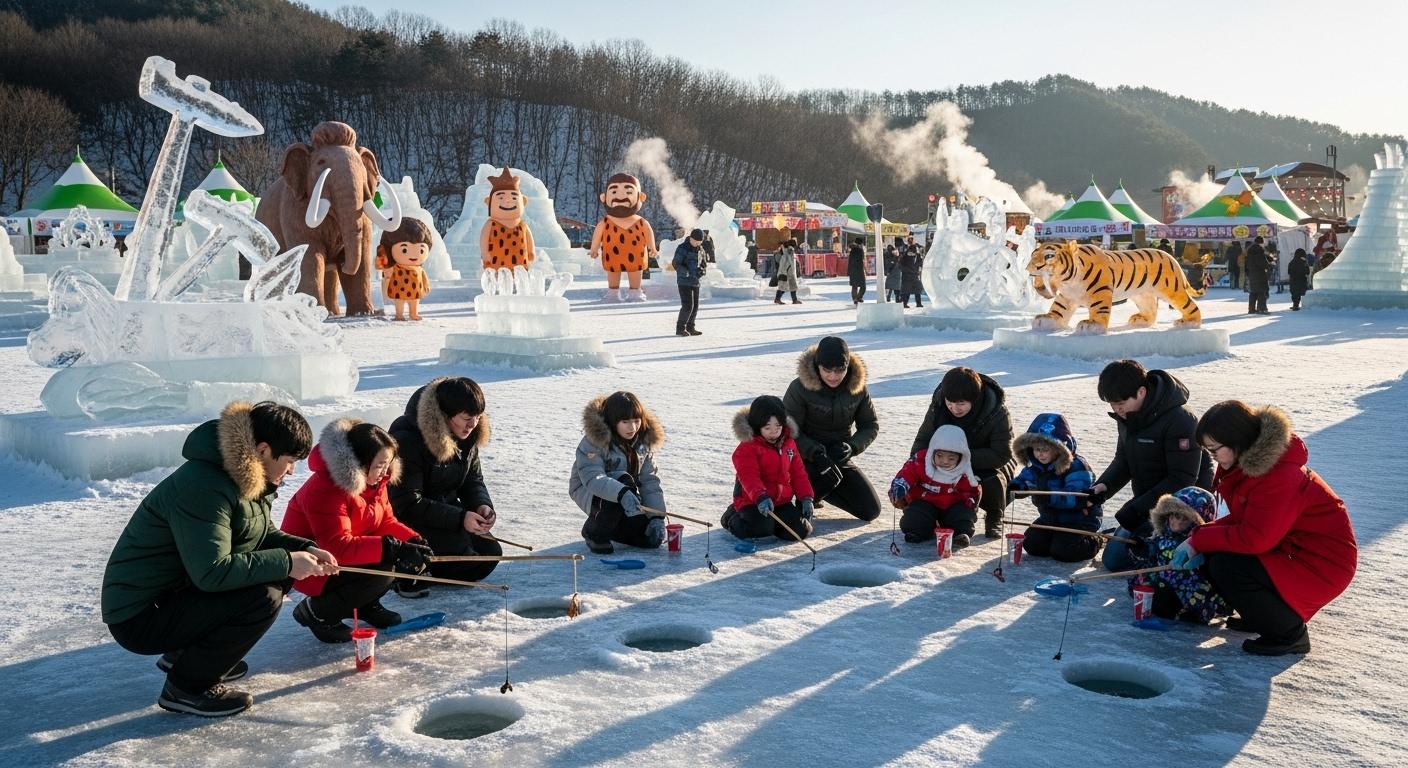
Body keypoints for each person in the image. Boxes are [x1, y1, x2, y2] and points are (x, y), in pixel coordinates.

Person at [101, 401, 337, 717]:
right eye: (291, 460)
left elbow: (262, 535)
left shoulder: (246, 477)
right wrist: (287, 561)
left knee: (280, 573)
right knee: (263, 596)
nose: (293, 470)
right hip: (140, 615)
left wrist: (305, 549)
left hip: (174, 595)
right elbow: (212, 572)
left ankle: (189, 654)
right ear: (264, 450)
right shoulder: (205, 486)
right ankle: (187, 686)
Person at [1176, 402, 1357, 655]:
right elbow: (1246, 519)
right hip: (1290, 549)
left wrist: (1201, 539)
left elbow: (1255, 538)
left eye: (1214, 449)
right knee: (1216, 556)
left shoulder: (1278, 476)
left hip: (1320, 562)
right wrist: (1197, 538)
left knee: (1226, 565)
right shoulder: (1248, 467)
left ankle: (1288, 634)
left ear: (1237, 442)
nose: (1212, 456)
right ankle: (1263, 615)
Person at [282, 419, 434, 642]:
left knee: (392, 559)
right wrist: (392, 549)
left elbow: (384, 522)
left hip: (343, 557)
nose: (385, 472)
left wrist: (412, 540)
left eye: (388, 464)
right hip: (312, 566)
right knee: (386, 564)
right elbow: (337, 546)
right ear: (361, 463)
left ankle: (364, 604)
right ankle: (318, 612)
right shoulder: (326, 488)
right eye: (380, 464)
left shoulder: (374, 483)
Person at [1088, 360, 1213, 571]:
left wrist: (1136, 509)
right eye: (1111, 404)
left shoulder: (1181, 420)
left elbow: (1181, 479)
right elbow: (1123, 459)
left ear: (1141, 392)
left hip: (1183, 510)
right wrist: (1104, 486)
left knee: (1154, 560)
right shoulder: (1128, 416)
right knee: (1114, 560)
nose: (1116, 409)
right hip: (1148, 502)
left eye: (1120, 402)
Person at [388, 376, 502, 597]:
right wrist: (460, 519)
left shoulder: (467, 435)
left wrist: (481, 505)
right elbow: (407, 503)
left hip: (446, 511)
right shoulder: (409, 439)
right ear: (446, 415)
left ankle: (434, 562)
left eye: (478, 417)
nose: (473, 424)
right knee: (466, 559)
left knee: (491, 554)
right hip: (411, 519)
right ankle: (404, 566)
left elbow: (472, 480)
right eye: (467, 418)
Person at [910, 366, 1017, 538]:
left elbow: (1002, 453)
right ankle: (937, 513)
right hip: (945, 460)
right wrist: (922, 462)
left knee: (992, 480)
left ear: (974, 399)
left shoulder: (996, 411)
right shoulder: (938, 407)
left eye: (961, 403)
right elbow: (922, 441)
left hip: (986, 463)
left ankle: (995, 515)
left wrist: (961, 458)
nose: (954, 408)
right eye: (950, 402)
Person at [784, 336, 882, 522]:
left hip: (838, 456)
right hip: (806, 459)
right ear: (817, 366)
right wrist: (813, 452)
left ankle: (821, 492)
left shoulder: (858, 388)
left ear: (847, 366)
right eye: (827, 370)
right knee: (814, 485)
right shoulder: (799, 388)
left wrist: (852, 447)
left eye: (840, 370)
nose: (833, 376)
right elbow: (788, 431)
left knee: (870, 510)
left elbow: (870, 425)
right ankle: (807, 492)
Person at [570, 391, 668, 554]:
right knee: (623, 480)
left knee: (648, 539)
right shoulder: (594, 441)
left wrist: (656, 517)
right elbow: (593, 478)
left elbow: (649, 481)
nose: (633, 427)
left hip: (627, 496)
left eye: (636, 421)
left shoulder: (643, 442)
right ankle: (594, 532)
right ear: (613, 421)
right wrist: (622, 493)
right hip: (590, 491)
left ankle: (613, 527)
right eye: (625, 422)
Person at [1128, 487, 1229, 624]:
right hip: (1163, 580)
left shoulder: (1198, 543)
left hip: (1189, 588)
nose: (1179, 522)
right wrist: (1142, 548)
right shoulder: (1163, 534)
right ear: (1168, 515)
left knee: (1169, 601)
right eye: (1176, 516)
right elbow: (1153, 551)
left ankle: (1190, 610)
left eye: (1185, 519)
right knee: (1141, 582)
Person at [1010, 413, 1103, 562]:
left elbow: (1078, 497)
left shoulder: (1077, 466)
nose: (1040, 454)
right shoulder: (1036, 466)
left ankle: (1095, 540)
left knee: (1063, 552)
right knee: (1032, 544)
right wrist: (1016, 487)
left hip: (1079, 519)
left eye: (1045, 449)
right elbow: (1025, 479)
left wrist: (1048, 497)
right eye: (1036, 449)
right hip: (1050, 518)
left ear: (1058, 448)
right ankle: (1056, 538)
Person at [724, 395, 816, 541]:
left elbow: (798, 473)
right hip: (753, 501)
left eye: (778, 427)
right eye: (767, 428)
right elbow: (749, 476)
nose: (774, 432)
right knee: (760, 528)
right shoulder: (748, 447)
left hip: (781, 502)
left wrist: (806, 498)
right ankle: (732, 516)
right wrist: (760, 496)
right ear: (756, 426)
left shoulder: (789, 444)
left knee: (800, 530)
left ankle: (773, 525)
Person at [891, 424, 981, 549]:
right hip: (925, 503)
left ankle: (961, 534)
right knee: (914, 516)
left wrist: (970, 503)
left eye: (951, 458)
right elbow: (907, 473)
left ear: (960, 457)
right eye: (940, 456)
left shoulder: (965, 470)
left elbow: (972, 491)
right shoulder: (921, 461)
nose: (945, 461)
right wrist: (901, 485)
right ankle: (917, 532)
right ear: (933, 451)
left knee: (963, 515)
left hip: (952, 506)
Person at [672, 228, 705, 336]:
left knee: (695, 306)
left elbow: (703, 263)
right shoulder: (682, 248)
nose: (697, 243)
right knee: (687, 306)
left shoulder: (700, 249)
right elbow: (676, 263)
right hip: (684, 281)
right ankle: (680, 328)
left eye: (699, 241)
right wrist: (685, 272)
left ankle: (691, 327)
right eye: (696, 241)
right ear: (691, 238)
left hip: (695, 281)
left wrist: (702, 271)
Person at [1245, 236, 1272, 314]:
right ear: (1261, 242)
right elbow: (1262, 263)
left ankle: (1251, 309)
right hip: (1260, 274)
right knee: (1262, 291)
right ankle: (1262, 308)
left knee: (1253, 292)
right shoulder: (1259, 250)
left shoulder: (1249, 251)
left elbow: (1247, 263)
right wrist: (1269, 265)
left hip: (1252, 273)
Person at [774, 238, 801, 304]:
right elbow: (786, 263)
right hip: (786, 272)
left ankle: (794, 300)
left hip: (789, 271)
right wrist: (786, 272)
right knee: (783, 286)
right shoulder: (789, 251)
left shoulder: (787, 251)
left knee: (792, 286)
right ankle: (777, 299)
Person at [899, 238, 924, 308]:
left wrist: (918, 269)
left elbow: (920, 263)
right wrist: (906, 270)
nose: (912, 254)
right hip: (907, 276)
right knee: (907, 290)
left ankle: (918, 303)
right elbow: (900, 265)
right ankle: (904, 303)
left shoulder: (917, 256)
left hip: (914, 275)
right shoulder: (905, 256)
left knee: (917, 289)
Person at [847, 237, 867, 305]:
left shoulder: (852, 250)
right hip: (859, 270)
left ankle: (855, 298)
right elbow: (862, 261)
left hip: (852, 270)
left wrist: (849, 270)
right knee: (863, 286)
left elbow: (850, 261)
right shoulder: (860, 250)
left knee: (854, 286)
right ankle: (859, 297)